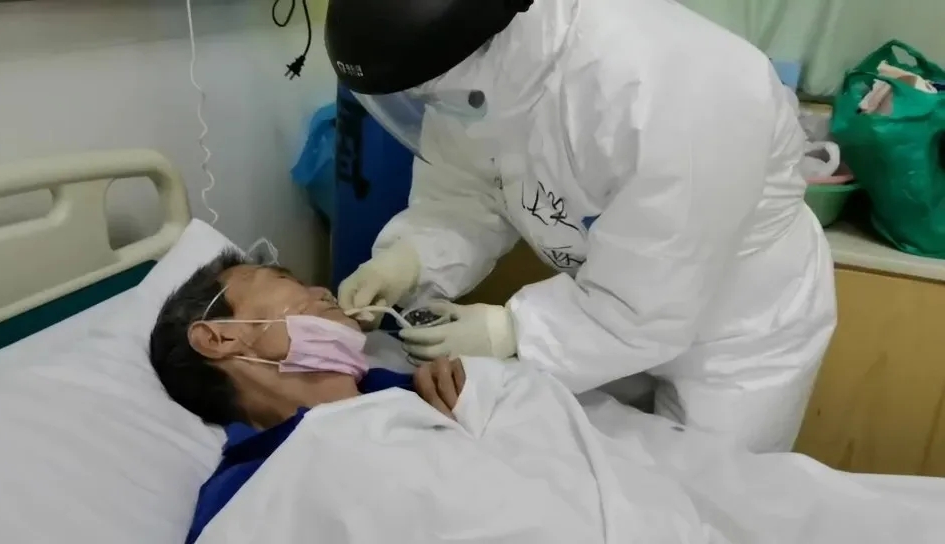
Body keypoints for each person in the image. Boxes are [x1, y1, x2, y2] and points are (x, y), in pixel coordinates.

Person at [325, 0, 837, 452]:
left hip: (736, 332)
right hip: (602, 313)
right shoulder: (470, 69)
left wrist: (514, 331)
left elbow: (649, 304)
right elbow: (469, 191)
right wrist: (410, 258)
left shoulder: (673, 87)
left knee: (710, 499)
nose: (427, 103)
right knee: (602, 476)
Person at [147, 250, 466, 543]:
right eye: (284, 279)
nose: (322, 291)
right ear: (219, 338)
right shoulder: (244, 493)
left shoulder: (430, 386)